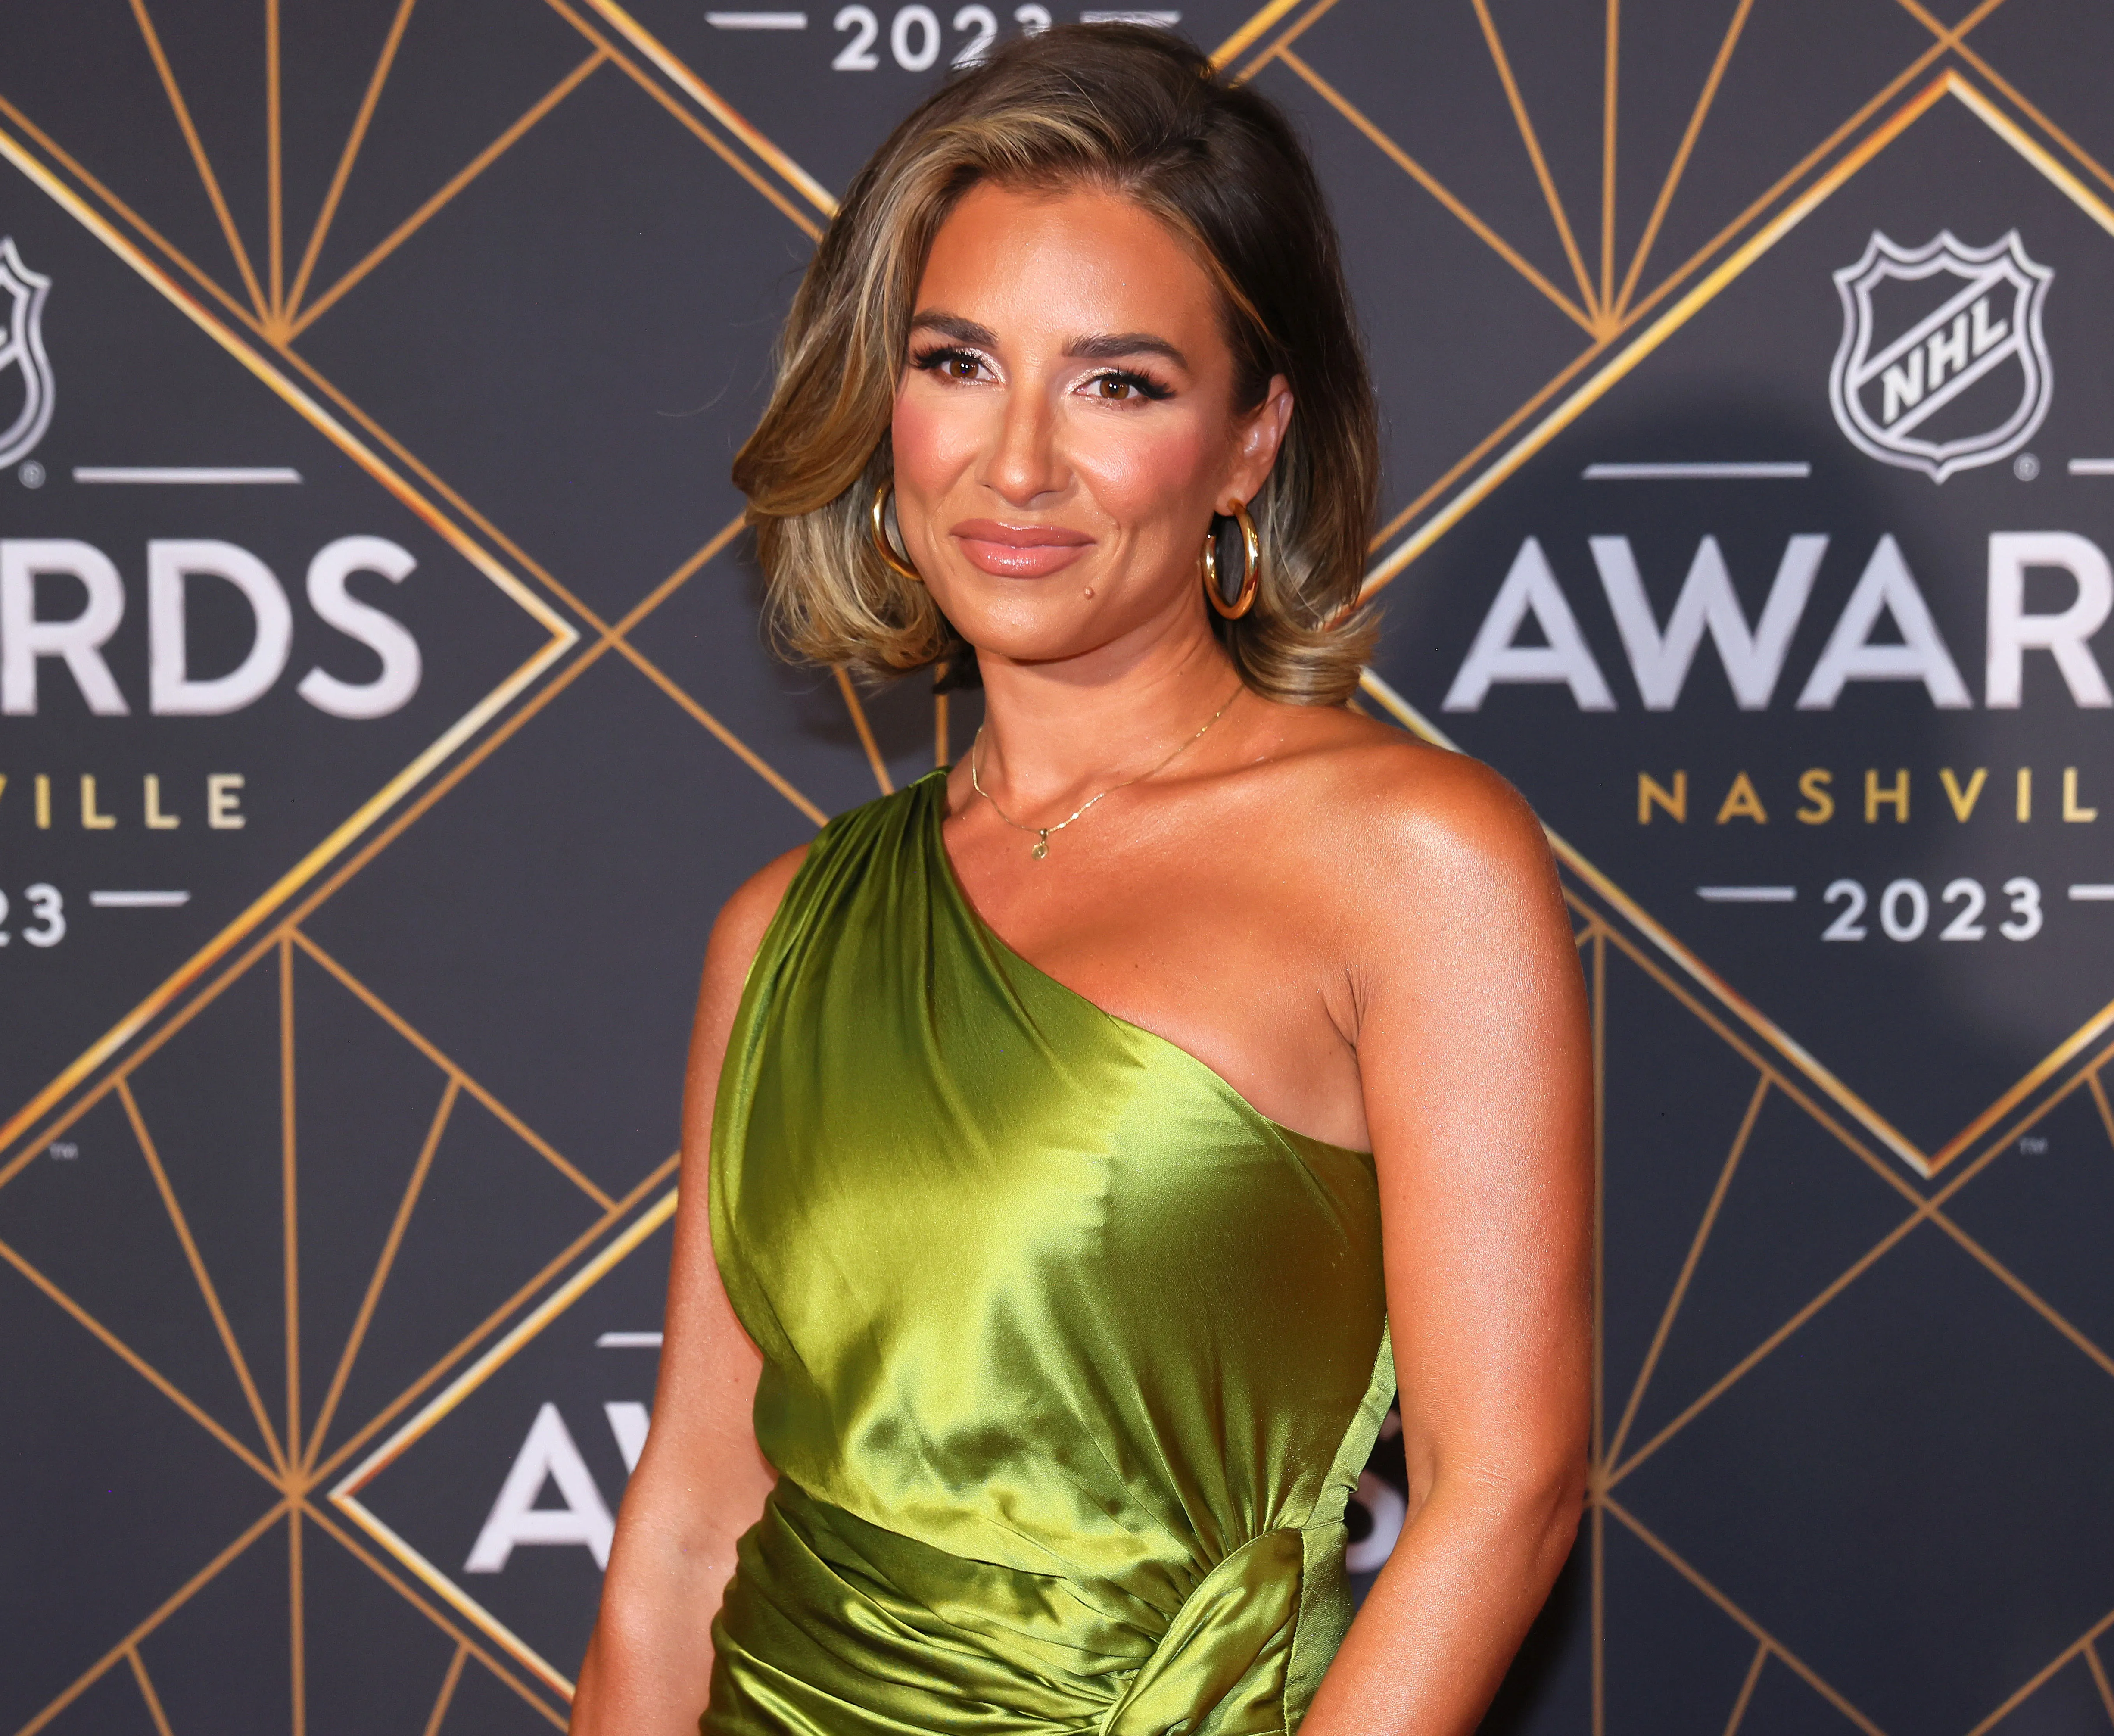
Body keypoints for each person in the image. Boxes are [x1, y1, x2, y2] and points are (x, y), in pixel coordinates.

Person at [575, 25, 1591, 1735]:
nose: (1017, 463)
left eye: (1120, 382)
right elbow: (690, 1510)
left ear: (1252, 445)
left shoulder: (1411, 857)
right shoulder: (785, 928)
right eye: (959, 363)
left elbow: (1509, 1490)